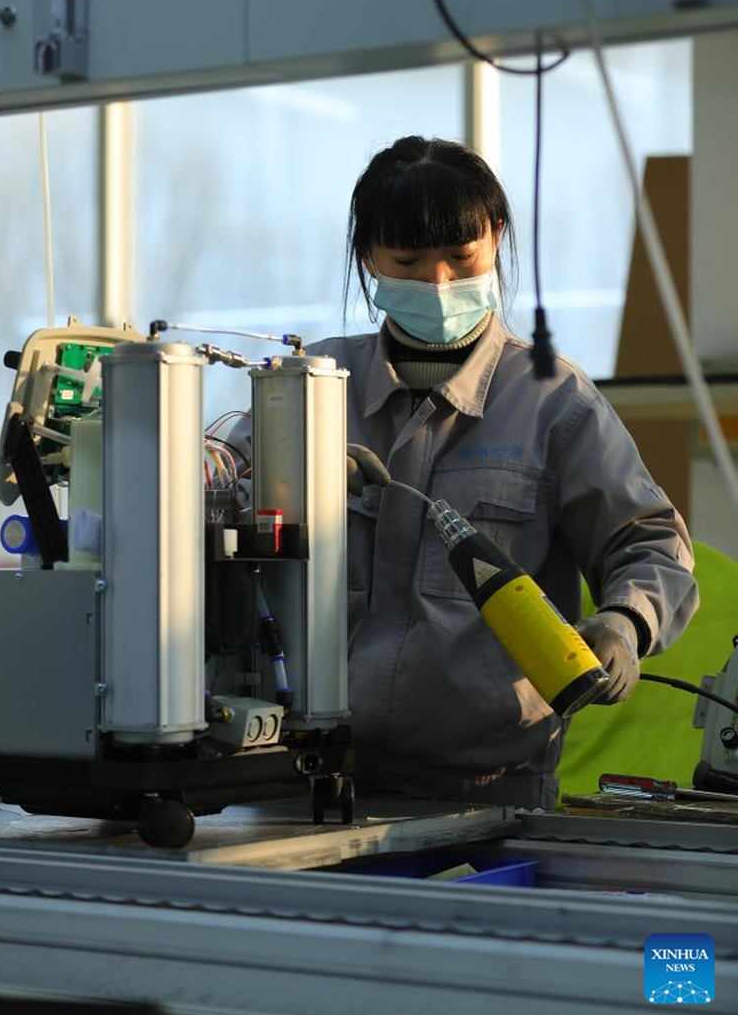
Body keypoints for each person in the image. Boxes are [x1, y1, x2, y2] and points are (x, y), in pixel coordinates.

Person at [231, 136, 699, 810]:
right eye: (408, 261)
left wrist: (626, 622)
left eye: (461, 254)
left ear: (496, 237)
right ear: (367, 256)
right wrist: (285, 479)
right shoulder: (304, 394)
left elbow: (648, 543)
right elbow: (207, 515)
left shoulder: (552, 402)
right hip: (292, 781)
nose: (439, 281)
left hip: (487, 793)